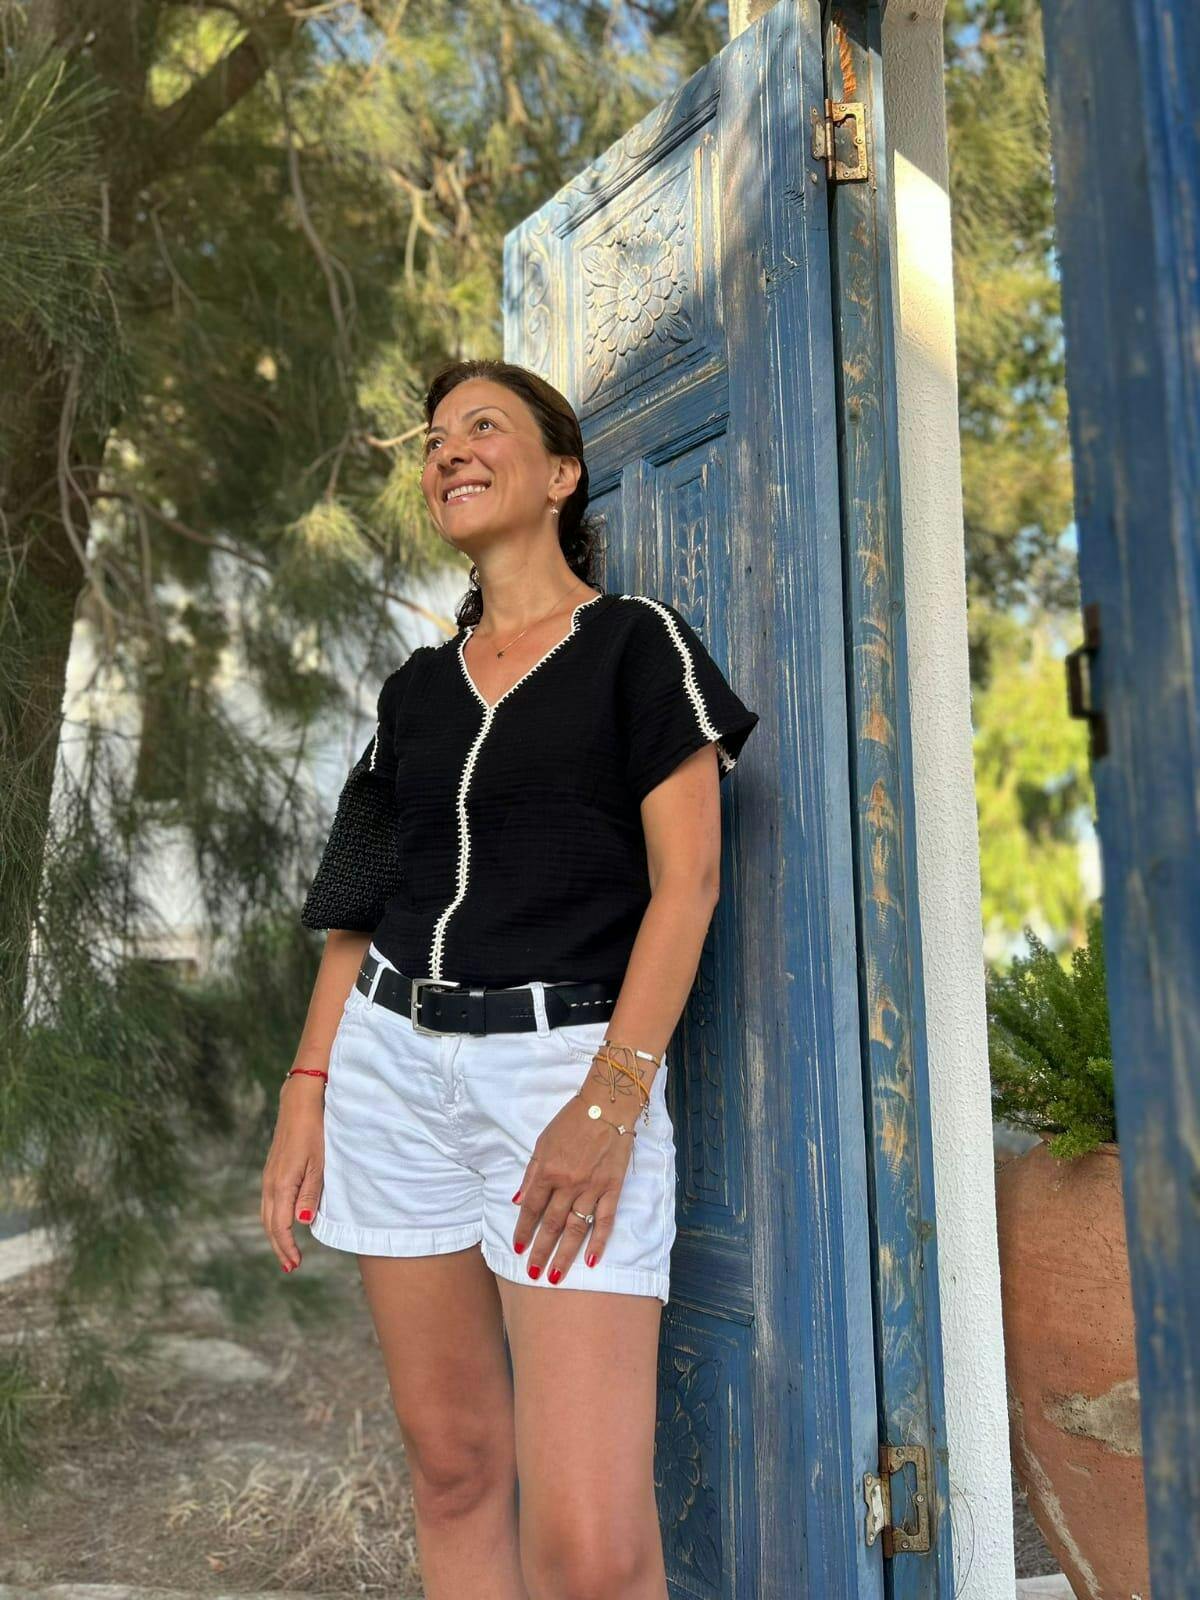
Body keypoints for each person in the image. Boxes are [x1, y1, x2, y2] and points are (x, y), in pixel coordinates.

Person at [261, 358, 759, 1600]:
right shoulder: (415, 690)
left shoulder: (637, 646)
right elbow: (359, 902)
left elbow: (689, 886)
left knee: (589, 1550)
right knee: (454, 1468)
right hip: (390, 1073)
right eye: (435, 439)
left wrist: (612, 1098)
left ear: (560, 474)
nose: (449, 452)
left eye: (482, 427)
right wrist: (306, 1088)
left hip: (562, 1070)